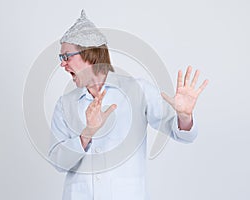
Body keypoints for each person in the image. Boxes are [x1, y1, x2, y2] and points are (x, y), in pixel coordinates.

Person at [48, 10, 208, 200]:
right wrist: (87, 133)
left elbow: (182, 134)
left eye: (66, 57)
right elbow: (58, 162)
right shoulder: (65, 104)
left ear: (89, 53)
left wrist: (184, 116)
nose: (62, 64)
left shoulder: (138, 90)